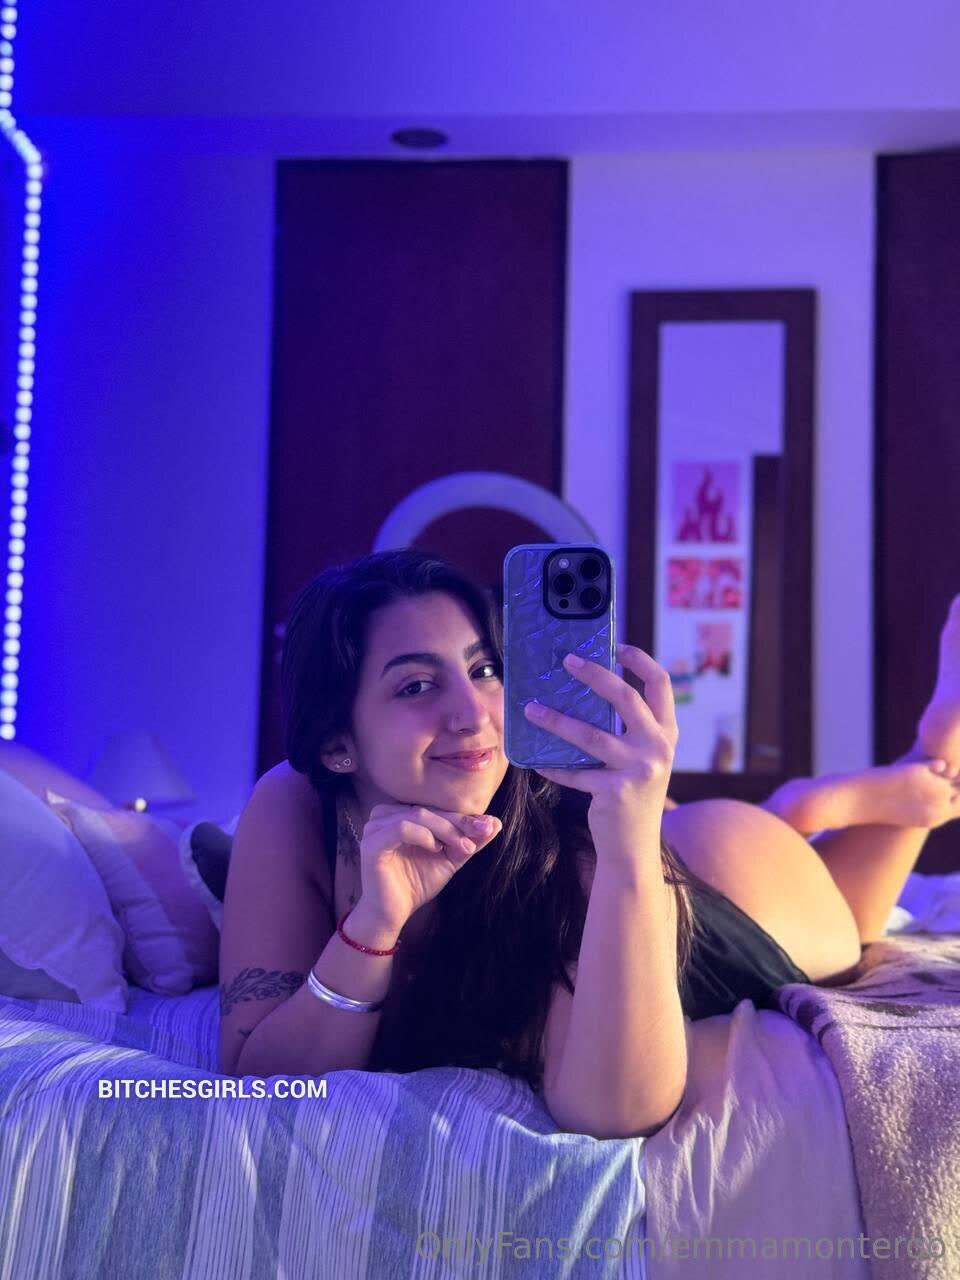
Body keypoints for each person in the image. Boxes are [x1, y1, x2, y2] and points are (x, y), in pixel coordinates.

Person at [218, 550, 960, 1140]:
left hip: (724, 872)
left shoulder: (566, 848)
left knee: (846, 934)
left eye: (484, 669)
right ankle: (890, 779)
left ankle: (866, 788)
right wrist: (373, 926)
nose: (475, 714)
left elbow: (617, 1109)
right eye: (416, 686)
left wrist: (630, 841)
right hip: (660, 841)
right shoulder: (292, 809)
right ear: (337, 745)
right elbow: (256, 1069)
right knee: (856, 913)